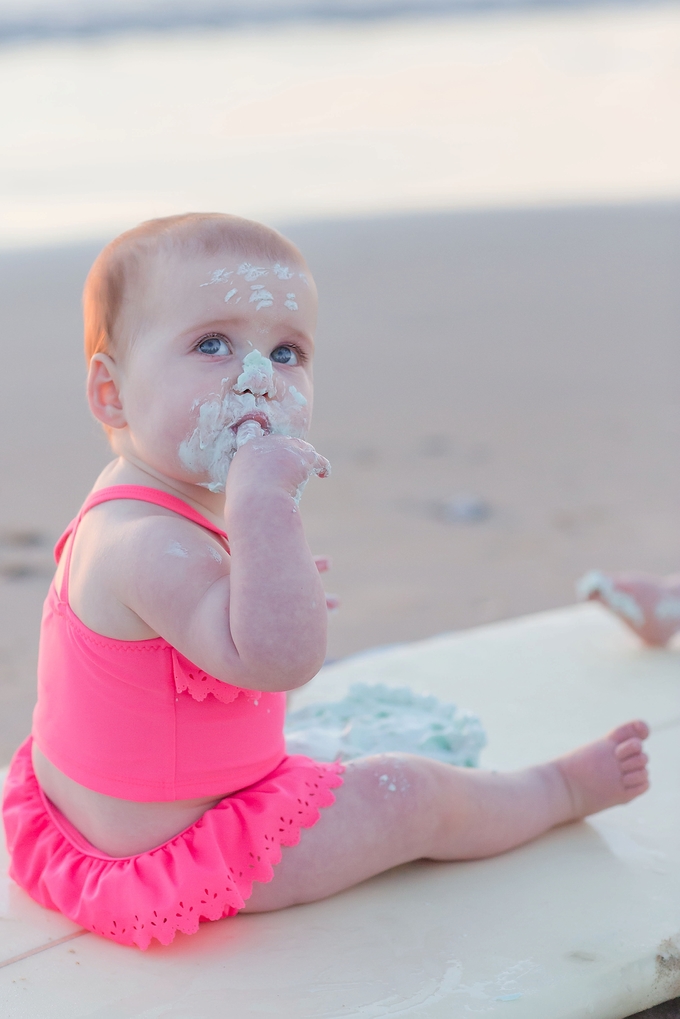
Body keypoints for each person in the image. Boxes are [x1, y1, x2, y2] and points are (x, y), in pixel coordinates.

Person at [2, 213, 650, 950]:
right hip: (174, 854)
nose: (259, 378)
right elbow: (282, 659)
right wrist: (262, 504)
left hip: (78, 816)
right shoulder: (147, 542)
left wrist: (268, 581)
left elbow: (192, 627)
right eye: (212, 343)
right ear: (111, 394)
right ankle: (552, 790)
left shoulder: (136, 499)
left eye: (286, 351)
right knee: (410, 796)